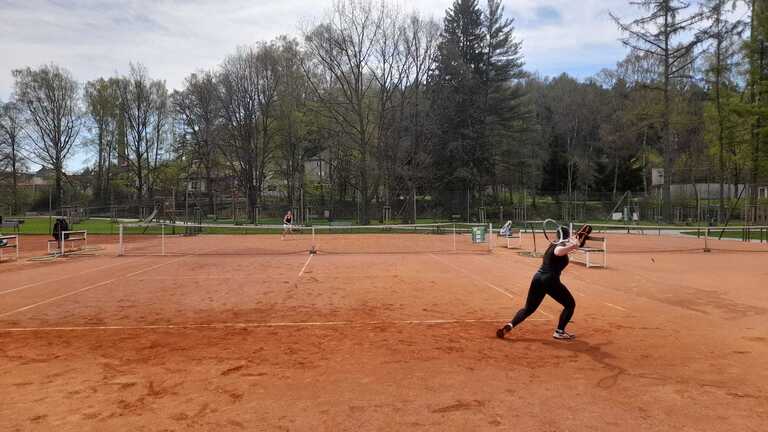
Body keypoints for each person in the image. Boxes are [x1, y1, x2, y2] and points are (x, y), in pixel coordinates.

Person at [496, 225, 580, 340]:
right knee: (570, 304)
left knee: (528, 309)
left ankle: (510, 325)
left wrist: (574, 243)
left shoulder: (553, 244)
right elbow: (558, 252)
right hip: (550, 280)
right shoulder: (559, 246)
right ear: (567, 236)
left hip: (538, 278)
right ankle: (559, 332)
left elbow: (568, 248)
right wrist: (573, 245)